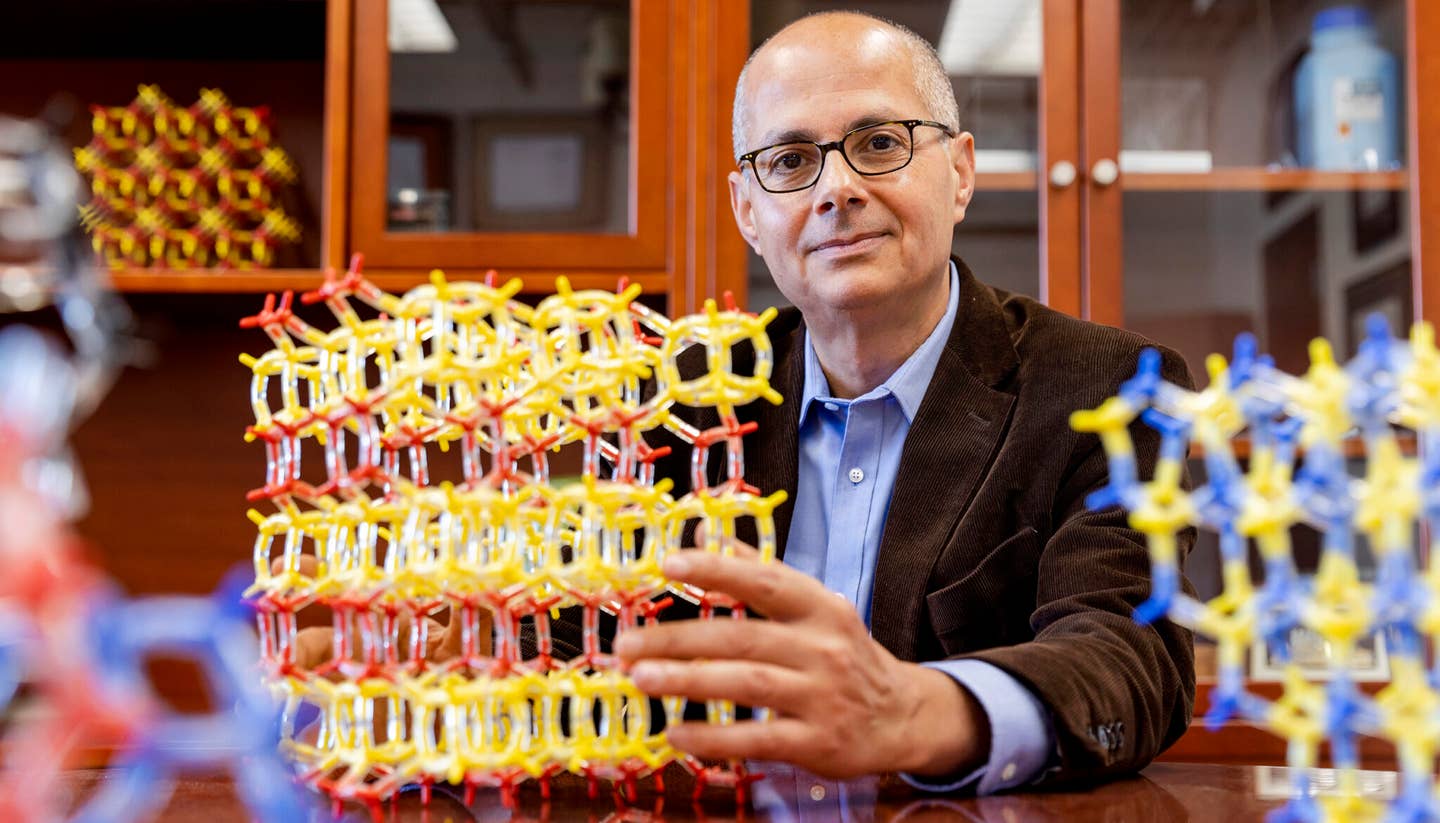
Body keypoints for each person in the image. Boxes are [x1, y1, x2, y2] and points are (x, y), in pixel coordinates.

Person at [289, 9, 1195, 795]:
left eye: (879, 143)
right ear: (748, 211)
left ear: (959, 171)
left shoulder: (1111, 389)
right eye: (792, 159)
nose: (837, 188)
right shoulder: (674, 407)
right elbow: (594, 628)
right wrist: (471, 657)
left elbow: (1131, 655)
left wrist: (923, 709)